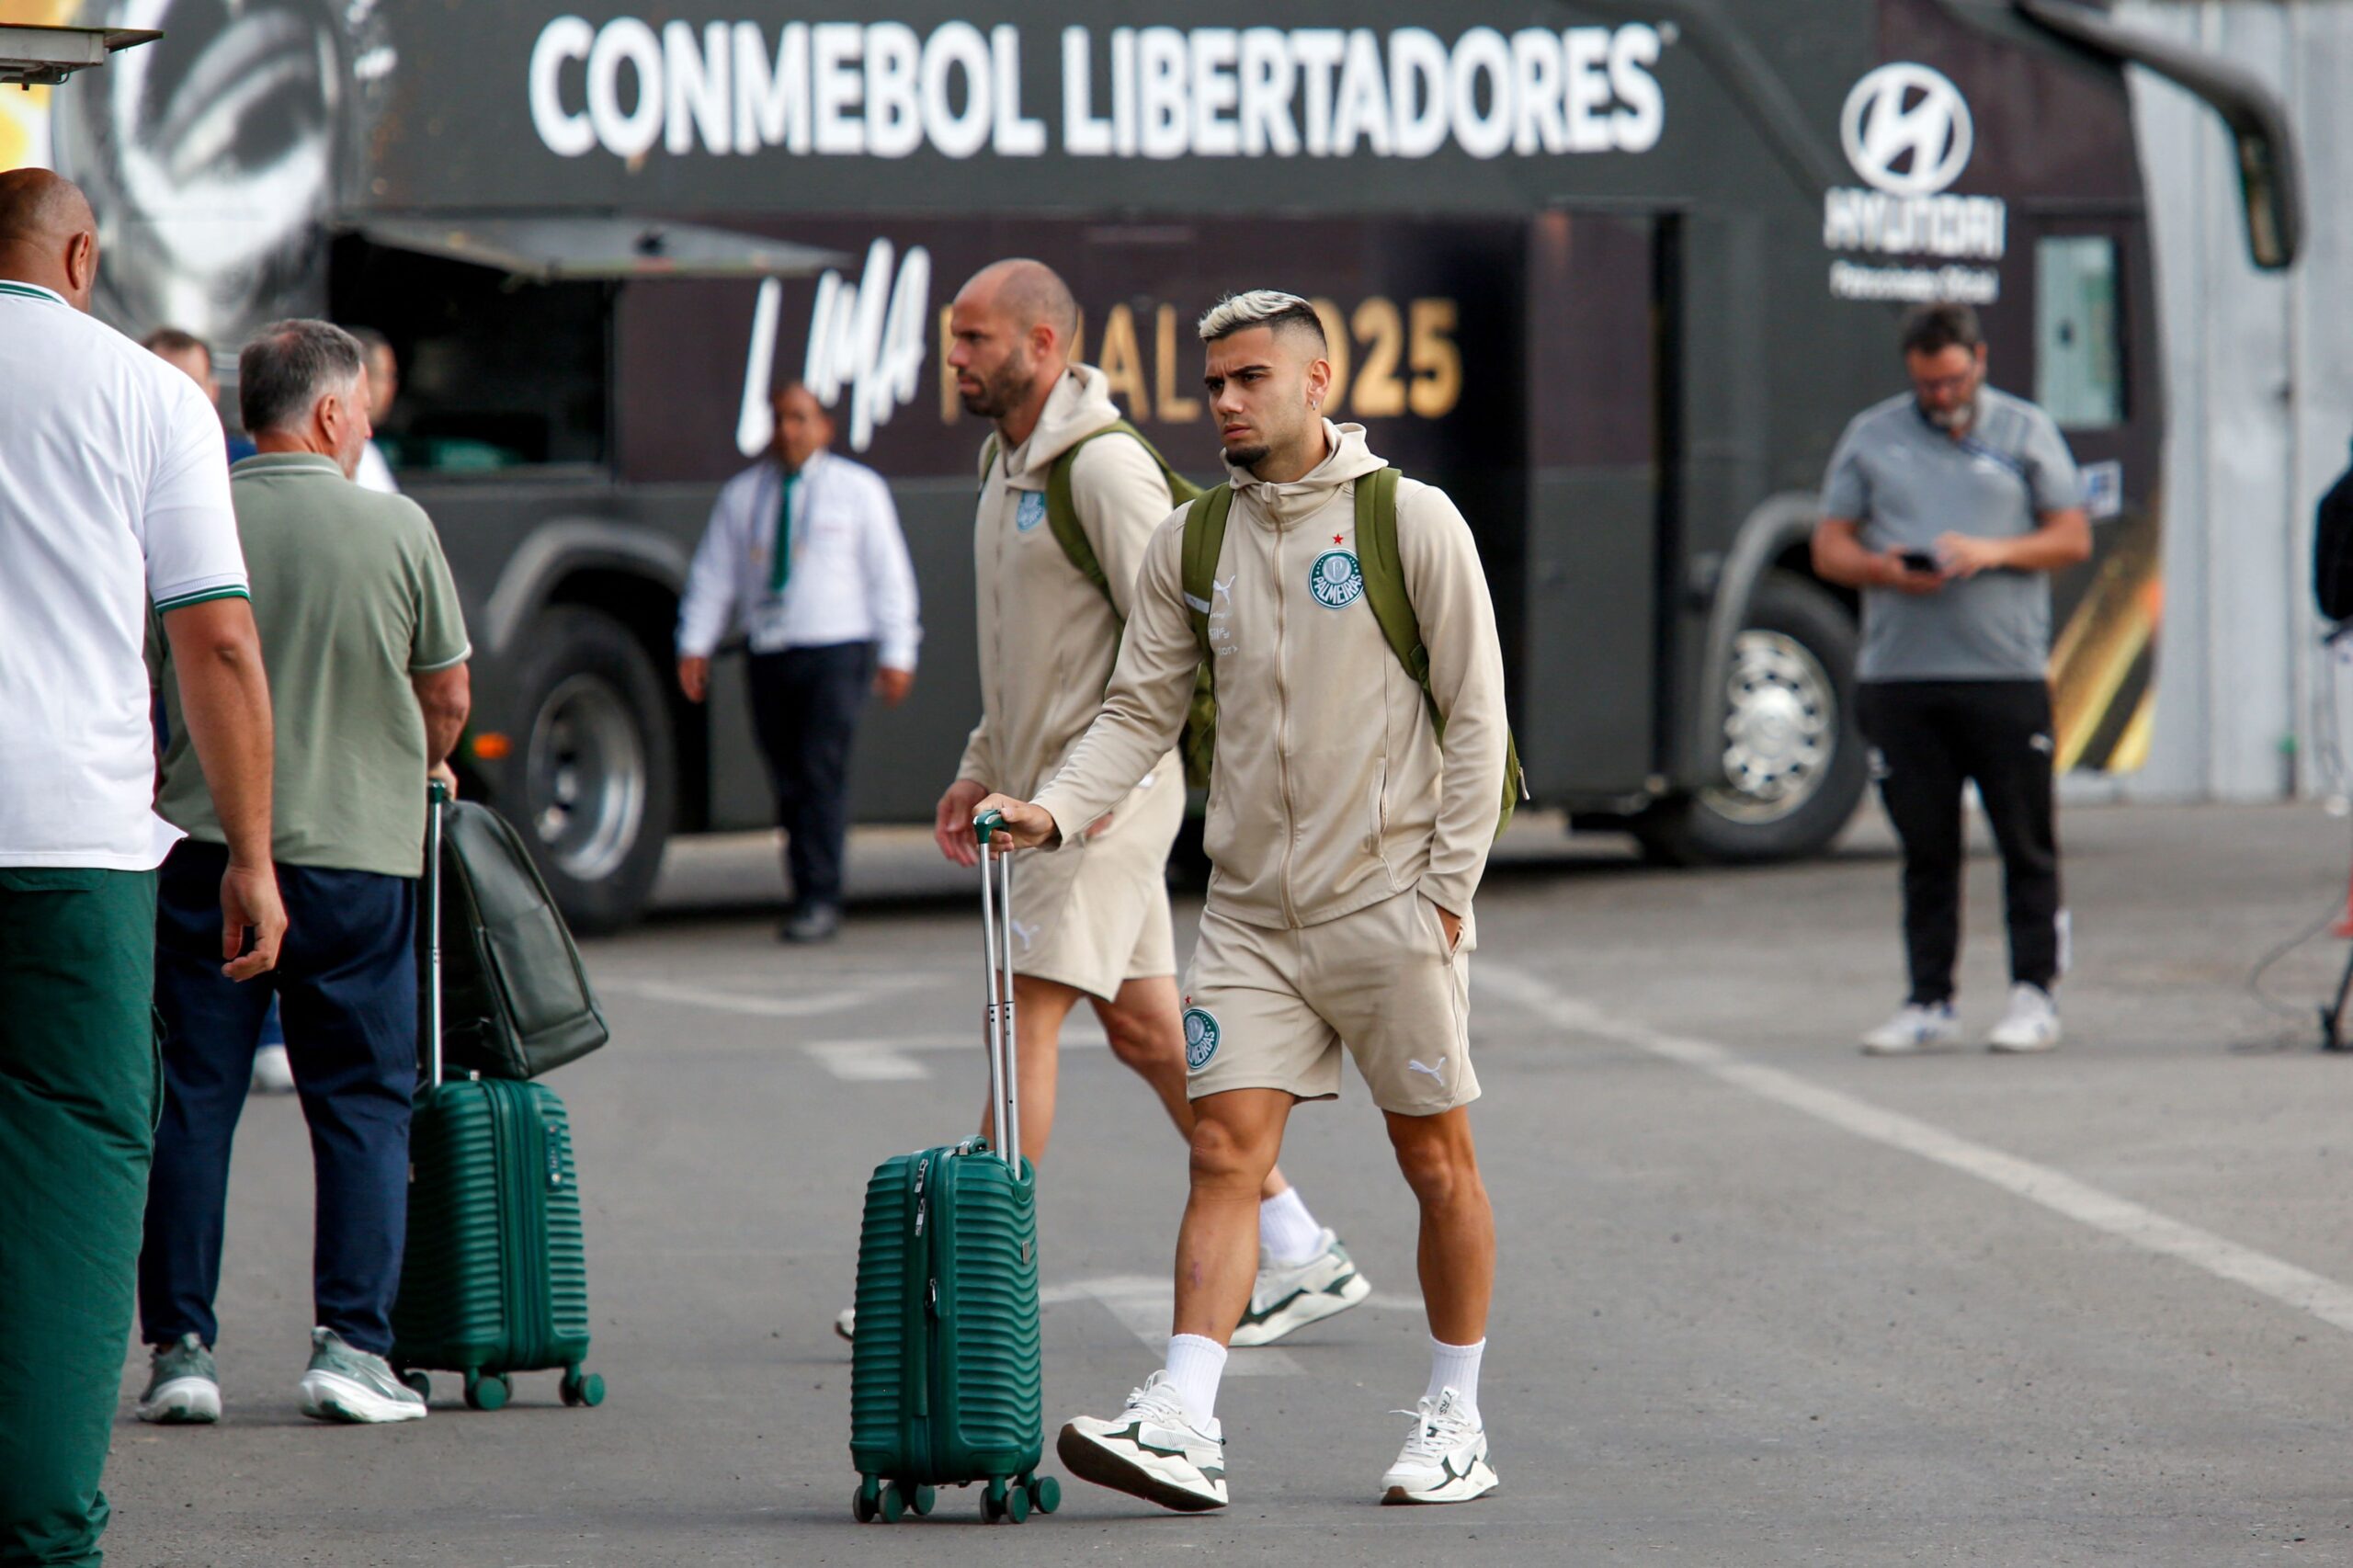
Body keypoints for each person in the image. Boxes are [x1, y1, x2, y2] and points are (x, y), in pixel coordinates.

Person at [975, 290, 1510, 1510]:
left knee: (1436, 1163)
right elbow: (1136, 712)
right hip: (1254, 918)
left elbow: (1479, 720)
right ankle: (1184, 1416)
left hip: (1392, 907)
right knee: (1222, 1152)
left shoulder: (1409, 521)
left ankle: (1455, 1415)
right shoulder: (1191, 541)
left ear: (1319, 382)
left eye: (1249, 377)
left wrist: (1444, 894)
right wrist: (1053, 806)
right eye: (1213, 382)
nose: (1223, 400)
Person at [927, 257, 1364, 1350]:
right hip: (1040, 796)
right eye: (955, 337)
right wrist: (981, 760)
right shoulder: (1007, 465)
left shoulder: (1104, 473)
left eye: (975, 339)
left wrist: (1103, 786)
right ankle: (1300, 1242)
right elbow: (1020, 658)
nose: (956, 358)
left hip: (1098, 804)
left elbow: (1179, 634)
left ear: (1041, 346)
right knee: (1145, 1031)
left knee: (1020, 1010)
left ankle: (973, 1285)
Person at [0, 168, 285, 1568]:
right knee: (70, 1157)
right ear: (79, 254)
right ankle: (41, 1526)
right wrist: (252, 850)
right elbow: (217, 641)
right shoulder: (149, 395)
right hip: (72, 843)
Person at [138, 319, 472, 1427]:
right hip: (357, 862)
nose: (367, 422)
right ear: (329, 413)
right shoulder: (398, 525)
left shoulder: (194, 515)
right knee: (363, 1105)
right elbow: (450, 696)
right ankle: (352, 1344)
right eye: (363, 407)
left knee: (194, 1098)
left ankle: (181, 1349)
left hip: (200, 851)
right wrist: (419, 754)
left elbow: (155, 677)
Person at [1812, 301, 2091, 1055]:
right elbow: (1828, 545)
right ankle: (1928, 999)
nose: (1942, 396)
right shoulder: (1873, 436)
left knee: (2025, 841)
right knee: (1926, 846)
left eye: (1953, 380)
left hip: (2003, 673)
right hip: (1902, 677)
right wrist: (1880, 569)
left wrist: (1993, 552)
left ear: (1980, 362)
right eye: (1928, 384)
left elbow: (2071, 535)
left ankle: (2035, 992)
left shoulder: (2025, 430)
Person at [676, 382, 920, 941]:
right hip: (771, 649)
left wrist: (897, 649)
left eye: (801, 418)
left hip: (836, 649)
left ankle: (820, 893)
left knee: (820, 771)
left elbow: (890, 577)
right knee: (787, 778)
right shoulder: (745, 495)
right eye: (781, 419)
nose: (789, 430)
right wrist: (696, 642)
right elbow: (715, 576)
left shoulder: (857, 491)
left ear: (825, 427)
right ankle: (804, 885)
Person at [142, 327, 256, 462]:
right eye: (166, 387)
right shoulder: (122, 459)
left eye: (193, 386)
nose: (180, 399)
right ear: (139, 389)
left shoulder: (247, 462)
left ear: (213, 391)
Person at [346, 326, 400, 494]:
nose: (392, 387)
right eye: (387, 376)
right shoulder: (343, 451)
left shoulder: (367, 451)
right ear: (362, 377)